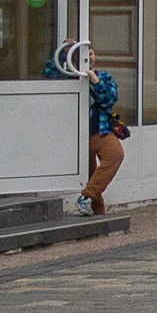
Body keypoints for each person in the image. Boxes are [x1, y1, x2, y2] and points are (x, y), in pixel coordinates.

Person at [49, 41, 126, 217]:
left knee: (115, 155)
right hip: (76, 135)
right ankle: (97, 213)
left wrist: (95, 81)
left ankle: (86, 198)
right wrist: (63, 52)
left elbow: (109, 100)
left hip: (100, 130)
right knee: (92, 176)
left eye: (90, 54)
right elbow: (47, 73)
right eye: (82, 55)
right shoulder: (67, 77)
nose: (88, 58)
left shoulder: (104, 76)